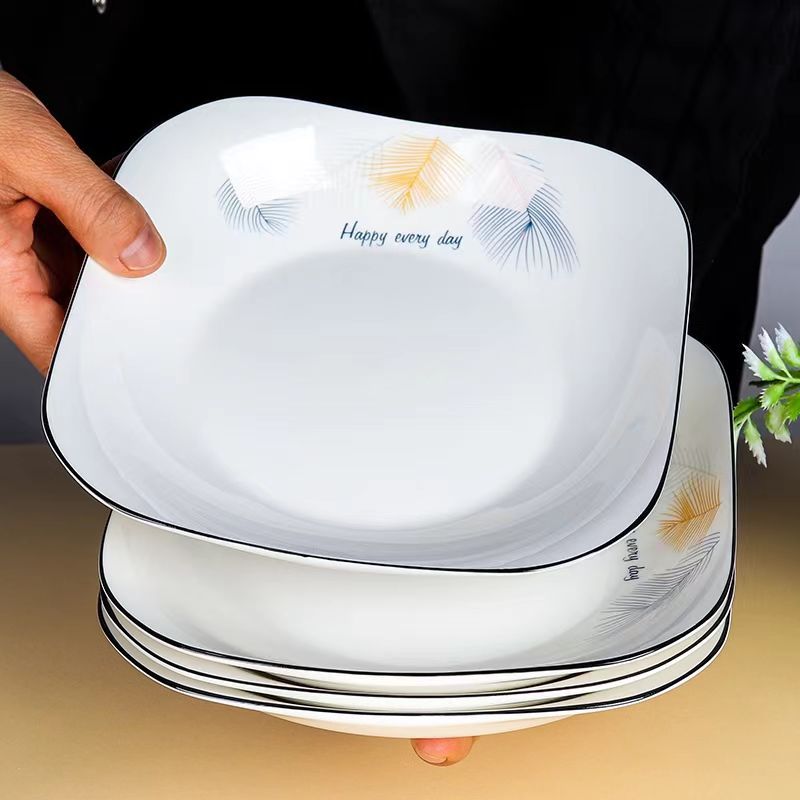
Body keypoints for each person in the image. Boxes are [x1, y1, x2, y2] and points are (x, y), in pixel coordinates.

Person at [1, 1, 799, 766]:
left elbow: (695, 42)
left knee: (647, 418)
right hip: (230, 140)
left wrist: (609, 264)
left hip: (624, 99)